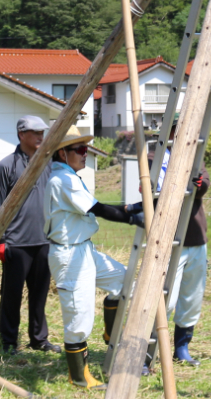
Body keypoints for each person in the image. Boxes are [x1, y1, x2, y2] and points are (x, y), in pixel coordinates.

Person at [44, 127, 144, 388]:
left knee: (123, 280)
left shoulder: (71, 177)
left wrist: (135, 207)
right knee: (79, 317)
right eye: (79, 149)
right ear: (62, 153)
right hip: (70, 255)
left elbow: (96, 204)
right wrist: (134, 218)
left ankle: (111, 333)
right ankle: (79, 377)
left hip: (85, 250)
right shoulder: (62, 180)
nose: (85, 153)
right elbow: (98, 209)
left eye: (85, 148)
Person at [0, 115, 59, 355]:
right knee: (11, 295)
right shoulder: (6, 165)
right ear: (21, 134)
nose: (40, 136)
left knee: (39, 294)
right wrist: (1, 241)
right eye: (35, 132)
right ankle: (9, 342)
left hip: (44, 240)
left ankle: (39, 339)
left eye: (42, 132)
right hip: (16, 242)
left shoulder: (49, 163)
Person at [150, 122, 209, 366]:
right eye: (178, 127)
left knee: (191, 296)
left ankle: (182, 347)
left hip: (195, 235)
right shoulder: (154, 155)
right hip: (168, 238)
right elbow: (159, 188)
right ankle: (150, 350)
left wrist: (197, 182)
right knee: (167, 299)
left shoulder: (195, 154)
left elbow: (204, 183)